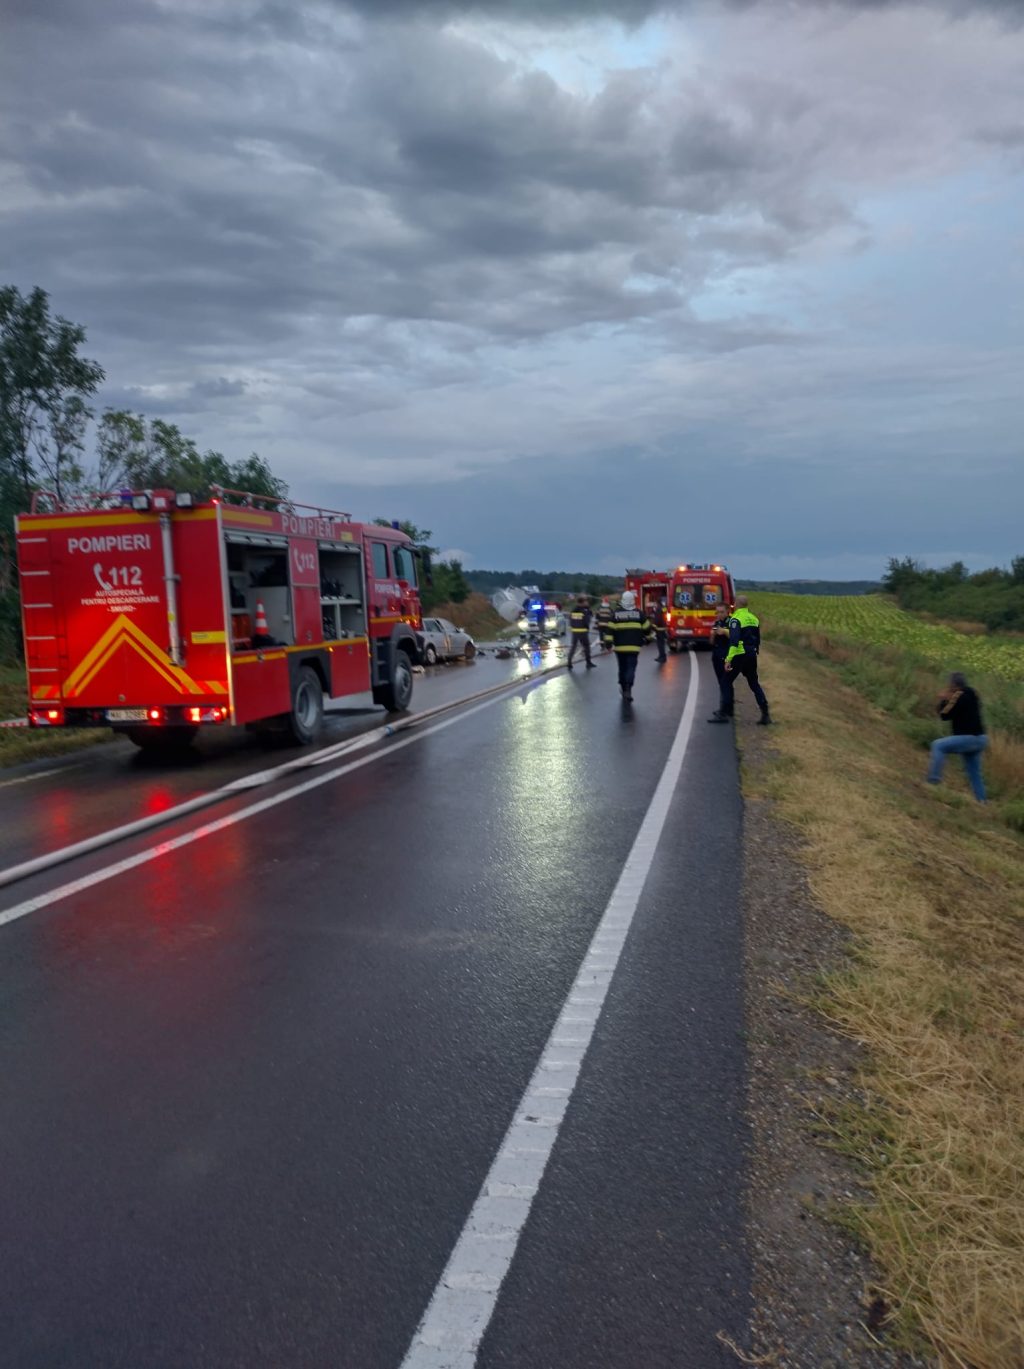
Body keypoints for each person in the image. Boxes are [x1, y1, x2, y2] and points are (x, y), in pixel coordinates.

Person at [709, 595, 771, 725]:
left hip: (739, 654)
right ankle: (765, 713)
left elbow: (734, 641)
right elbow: (757, 639)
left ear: (735, 605)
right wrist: (755, 651)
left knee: (725, 682)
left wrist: (729, 659)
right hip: (751, 654)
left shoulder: (735, 619)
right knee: (754, 684)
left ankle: (723, 713)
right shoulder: (754, 619)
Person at [928, 672, 988, 801]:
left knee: (938, 745)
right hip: (981, 738)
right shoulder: (973, 693)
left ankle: (933, 781)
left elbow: (944, 715)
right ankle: (982, 802)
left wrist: (944, 699)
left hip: (968, 737)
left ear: (953, 684)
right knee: (974, 773)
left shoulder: (958, 695)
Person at [608, 590, 651, 702]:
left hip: (619, 648)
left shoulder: (616, 614)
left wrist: (608, 644)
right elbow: (647, 628)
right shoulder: (639, 613)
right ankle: (628, 689)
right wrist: (648, 639)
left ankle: (623, 687)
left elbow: (609, 631)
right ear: (633, 600)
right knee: (631, 669)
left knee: (622, 668)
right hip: (634, 648)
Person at [706, 601, 731, 721]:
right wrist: (712, 634)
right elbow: (711, 641)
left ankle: (723, 713)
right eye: (718, 612)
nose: (719, 614)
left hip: (726, 656)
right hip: (716, 654)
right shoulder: (717, 623)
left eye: (722, 612)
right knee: (722, 683)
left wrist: (724, 632)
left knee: (725, 683)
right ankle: (728, 709)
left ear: (727, 612)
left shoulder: (731, 622)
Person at [567, 594, 596, 669]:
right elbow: (587, 621)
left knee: (573, 646)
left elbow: (570, 621)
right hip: (583, 631)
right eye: (585, 601)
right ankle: (588, 663)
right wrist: (588, 608)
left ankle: (569, 662)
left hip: (574, 632)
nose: (586, 602)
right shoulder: (584, 611)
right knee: (586, 647)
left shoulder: (573, 610)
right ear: (583, 602)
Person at [650, 597, 668, 663]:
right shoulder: (663, 607)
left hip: (659, 628)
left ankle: (662, 657)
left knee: (660, 644)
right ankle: (662, 656)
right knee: (662, 643)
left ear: (657, 602)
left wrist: (653, 626)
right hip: (663, 627)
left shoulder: (658, 608)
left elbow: (657, 618)